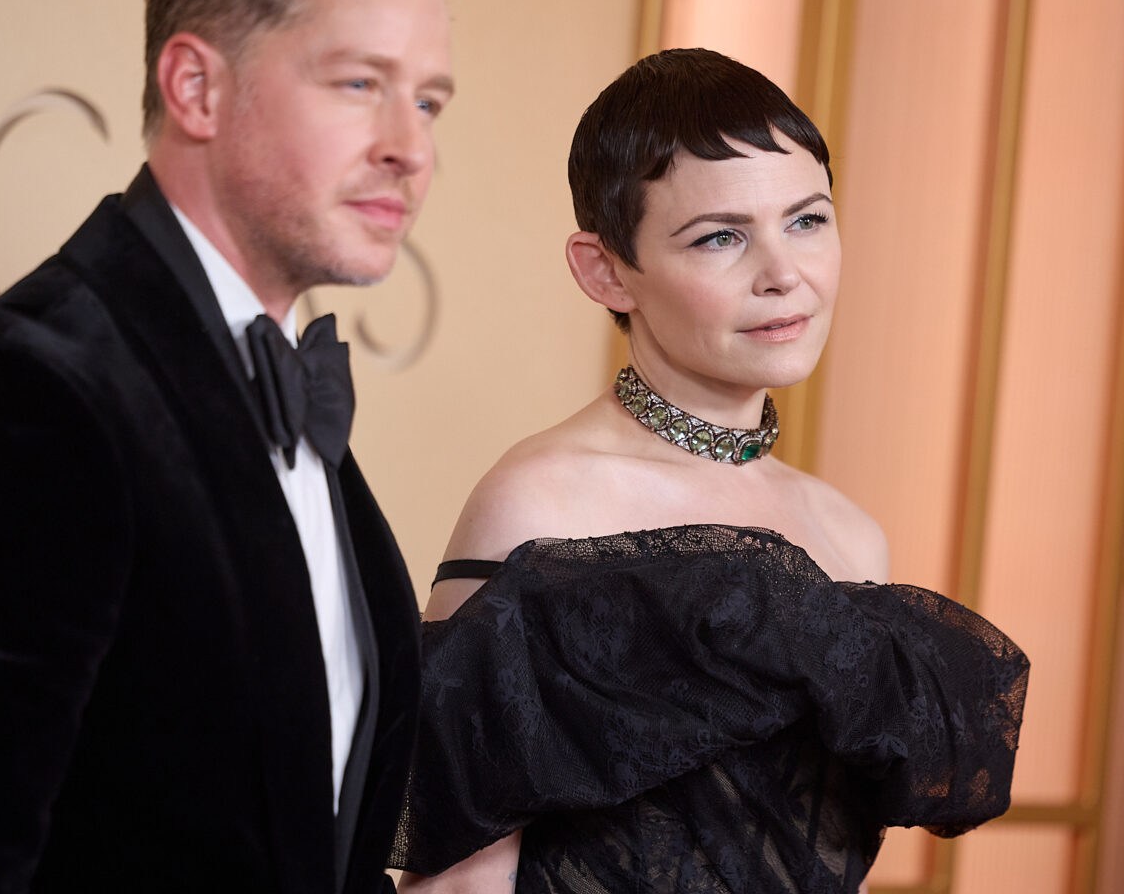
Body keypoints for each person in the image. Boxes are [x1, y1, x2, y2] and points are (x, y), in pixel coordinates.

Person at [0, 0, 455, 891]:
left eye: (428, 99)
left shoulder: (274, 388)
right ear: (196, 87)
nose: (412, 148)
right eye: (358, 84)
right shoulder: (27, 400)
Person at [390, 49, 1028, 893]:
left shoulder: (848, 533)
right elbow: (457, 873)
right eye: (721, 237)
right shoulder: (543, 500)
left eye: (807, 220)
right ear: (605, 271)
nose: (784, 275)